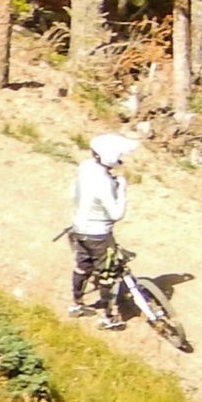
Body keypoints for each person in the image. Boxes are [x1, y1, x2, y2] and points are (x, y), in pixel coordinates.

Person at [68, 132, 139, 328]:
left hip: (79, 228)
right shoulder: (104, 182)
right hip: (98, 235)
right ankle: (108, 318)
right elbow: (116, 213)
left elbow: (73, 194)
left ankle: (76, 305)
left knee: (82, 267)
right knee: (108, 276)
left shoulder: (84, 167)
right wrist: (122, 190)